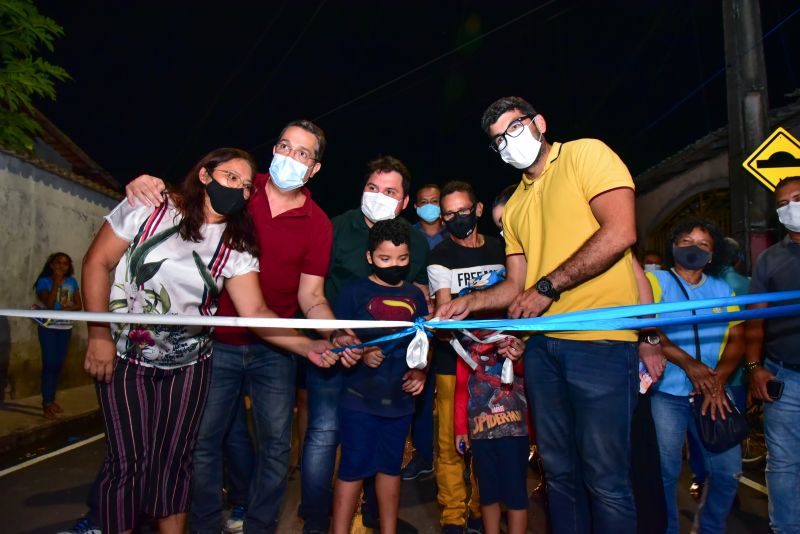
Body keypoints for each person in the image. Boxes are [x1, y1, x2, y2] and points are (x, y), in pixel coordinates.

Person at [438, 96, 665, 534]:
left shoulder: (586, 154)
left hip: (599, 341)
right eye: (498, 141)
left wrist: (549, 287)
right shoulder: (517, 204)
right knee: (558, 474)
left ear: (539, 122)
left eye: (515, 129)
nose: (509, 144)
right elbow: (515, 285)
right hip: (542, 349)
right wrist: (471, 301)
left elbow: (620, 231)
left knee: (606, 478)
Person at [82, 147, 335, 534]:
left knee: (175, 462)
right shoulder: (151, 207)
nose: (239, 188)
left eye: (247, 185)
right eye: (230, 177)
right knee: (128, 462)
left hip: (190, 366)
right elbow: (96, 262)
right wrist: (98, 334)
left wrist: (309, 345)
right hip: (126, 356)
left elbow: (257, 314)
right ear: (204, 175)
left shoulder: (237, 246)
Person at [304, 155, 429, 534]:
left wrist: (419, 365)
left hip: (391, 375)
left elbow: (419, 310)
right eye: (373, 188)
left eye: (389, 191)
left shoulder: (416, 241)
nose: (378, 196)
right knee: (326, 435)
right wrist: (340, 339)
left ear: (404, 201)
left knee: (385, 455)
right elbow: (314, 289)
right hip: (335, 349)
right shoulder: (335, 228)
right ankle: (315, 519)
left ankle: (375, 518)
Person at [329, 219, 428, 534]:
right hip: (359, 400)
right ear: (370, 257)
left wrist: (420, 372)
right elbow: (339, 339)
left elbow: (423, 345)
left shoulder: (416, 295)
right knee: (353, 468)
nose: (394, 266)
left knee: (390, 469)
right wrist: (359, 353)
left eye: (402, 259)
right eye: (385, 259)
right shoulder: (353, 292)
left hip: (399, 403)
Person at [645, 219, 744, 534]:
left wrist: (717, 381)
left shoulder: (722, 290)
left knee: (728, 472)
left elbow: (739, 337)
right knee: (665, 473)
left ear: (713, 255)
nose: (694, 248)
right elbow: (648, 328)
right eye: (687, 241)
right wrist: (689, 364)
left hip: (711, 392)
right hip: (667, 393)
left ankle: (710, 528)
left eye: (703, 244)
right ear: (674, 246)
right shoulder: (656, 281)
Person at [427, 181, 509, 533]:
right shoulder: (440, 255)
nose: (457, 218)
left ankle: (482, 506)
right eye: (449, 214)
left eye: (463, 211)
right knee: (450, 441)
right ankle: (453, 514)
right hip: (454, 359)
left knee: (490, 440)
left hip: (498, 362)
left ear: (477, 210)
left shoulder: (503, 249)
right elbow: (444, 307)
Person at [746, 175, 800, 534]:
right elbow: (754, 320)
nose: (791, 208)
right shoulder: (769, 260)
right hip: (785, 376)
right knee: (783, 464)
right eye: (782, 204)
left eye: (797, 198)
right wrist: (754, 367)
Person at [401, 183, 446, 482]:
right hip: (415, 323)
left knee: (450, 395)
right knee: (419, 392)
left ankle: (457, 459)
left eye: (435, 201)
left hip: (450, 323)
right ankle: (423, 455)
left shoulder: (454, 233)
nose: (430, 206)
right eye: (424, 201)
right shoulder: (408, 236)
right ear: (415, 206)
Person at [33, 252, 82, 418]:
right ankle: (46, 402)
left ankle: (51, 399)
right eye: (58, 263)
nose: (61, 266)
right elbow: (48, 303)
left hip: (65, 328)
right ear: (52, 265)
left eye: (65, 264)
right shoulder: (44, 282)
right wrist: (55, 282)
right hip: (48, 328)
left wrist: (61, 311)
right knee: (49, 363)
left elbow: (78, 305)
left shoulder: (72, 282)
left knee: (58, 364)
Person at [413, 183, 449, 249]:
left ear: (442, 204)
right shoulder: (409, 234)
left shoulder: (452, 233)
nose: (429, 205)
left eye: (434, 201)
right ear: (416, 207)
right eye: (423, 202)